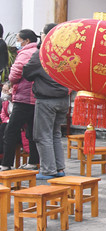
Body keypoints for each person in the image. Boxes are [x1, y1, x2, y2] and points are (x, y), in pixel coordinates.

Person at [23, 23, 70, 179]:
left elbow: (27, 73)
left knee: (43, 135)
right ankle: (59, 168)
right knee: (55, 134)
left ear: (47, 35)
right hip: (63, 98)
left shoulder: (42, 53)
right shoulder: (67, 51)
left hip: (47, 99)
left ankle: (48, 170)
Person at [0, 29, 40, 172]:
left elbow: (16, 73)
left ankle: (6, 164)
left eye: (18, 39)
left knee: (10, 131)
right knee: (32, 132)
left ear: (26, 41)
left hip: (23, 97)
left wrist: (10, 82)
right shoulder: (39, 51)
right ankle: (34, 161)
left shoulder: (26, 53)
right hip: (35, 98)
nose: (17, 42)